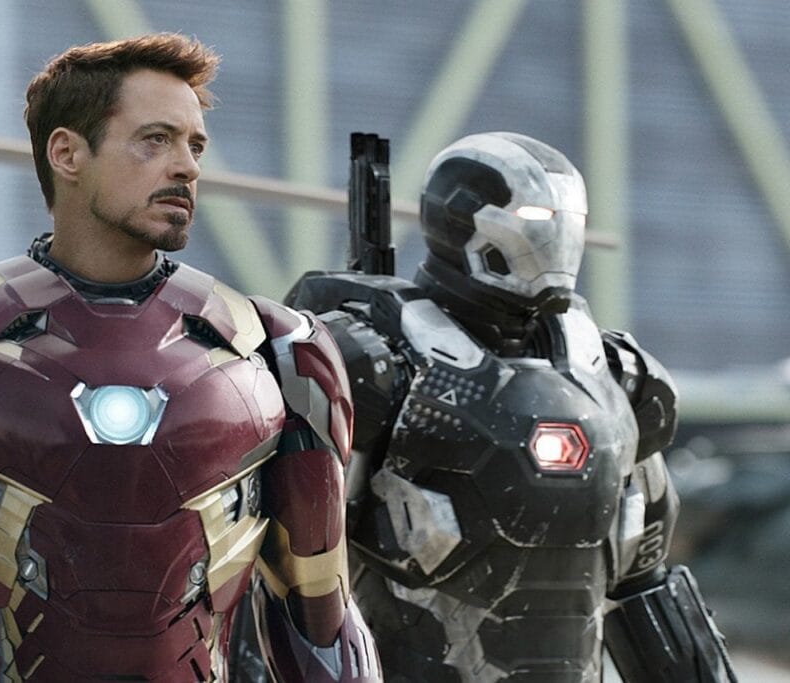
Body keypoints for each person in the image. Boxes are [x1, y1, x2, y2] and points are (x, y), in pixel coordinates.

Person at [0, 33, 380, 682]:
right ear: (66, 153)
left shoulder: (280, 349)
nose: (187, 167)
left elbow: (323, 625)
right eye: (155, 140)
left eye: (195, 146)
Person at [285, 132, 737, 681]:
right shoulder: (373, 362)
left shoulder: (615, 376)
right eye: (535, 216)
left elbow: (646, 584)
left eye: (565, 218)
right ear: (462, 220)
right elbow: (284, 576)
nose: (552, 235)